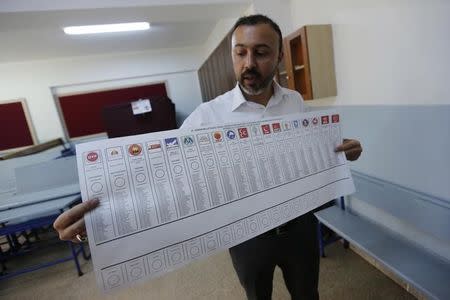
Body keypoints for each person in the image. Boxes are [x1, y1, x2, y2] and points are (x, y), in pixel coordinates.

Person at [54, 14, 362, 300]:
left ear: (280, 56)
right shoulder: (207, 117)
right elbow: (158, 176)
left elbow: (308, 150)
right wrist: (96, 220)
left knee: (308, 294)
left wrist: (340, 151)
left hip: (301, 228)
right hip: (246, 237)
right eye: (240, 53)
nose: (249, 63)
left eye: (261, 52)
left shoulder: (294, 101)